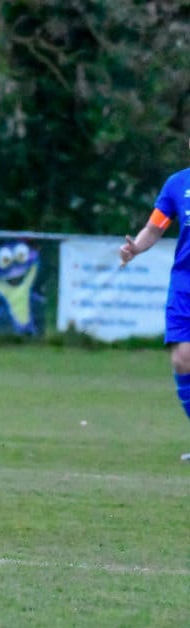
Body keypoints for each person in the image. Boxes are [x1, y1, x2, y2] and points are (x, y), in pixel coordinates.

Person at [119, 143, 190, 461]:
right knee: (183, 360)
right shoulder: (178, 184)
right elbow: (154, 227)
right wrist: (135, 248)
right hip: (185, 286)